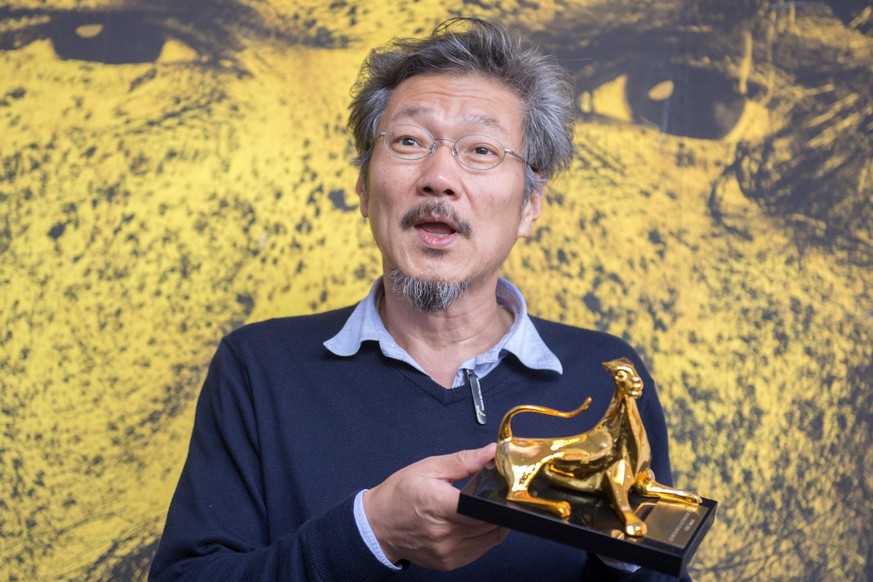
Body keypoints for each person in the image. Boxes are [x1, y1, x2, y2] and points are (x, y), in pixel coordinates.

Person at [149, 17, 683, 580]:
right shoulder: (258, 367)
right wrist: (369, 535)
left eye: (481, 149)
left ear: (529, 206)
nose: (439, 177)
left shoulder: (606, 376)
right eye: (409, 141)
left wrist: (625, 554)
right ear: (363, 187)